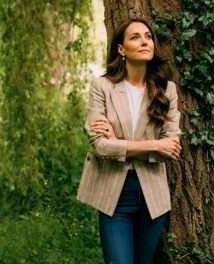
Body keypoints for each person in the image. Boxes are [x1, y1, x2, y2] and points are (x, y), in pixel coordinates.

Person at [76, 17, 182, 264]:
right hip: (114, 195)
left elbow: (172, 147)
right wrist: (155, 144)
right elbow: (101, 147)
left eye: (147, 36)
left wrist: (120, 143)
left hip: (152, 195)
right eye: (135, 37)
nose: (144, 41)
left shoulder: (167, 90)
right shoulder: (102, 86)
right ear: (121, 49)